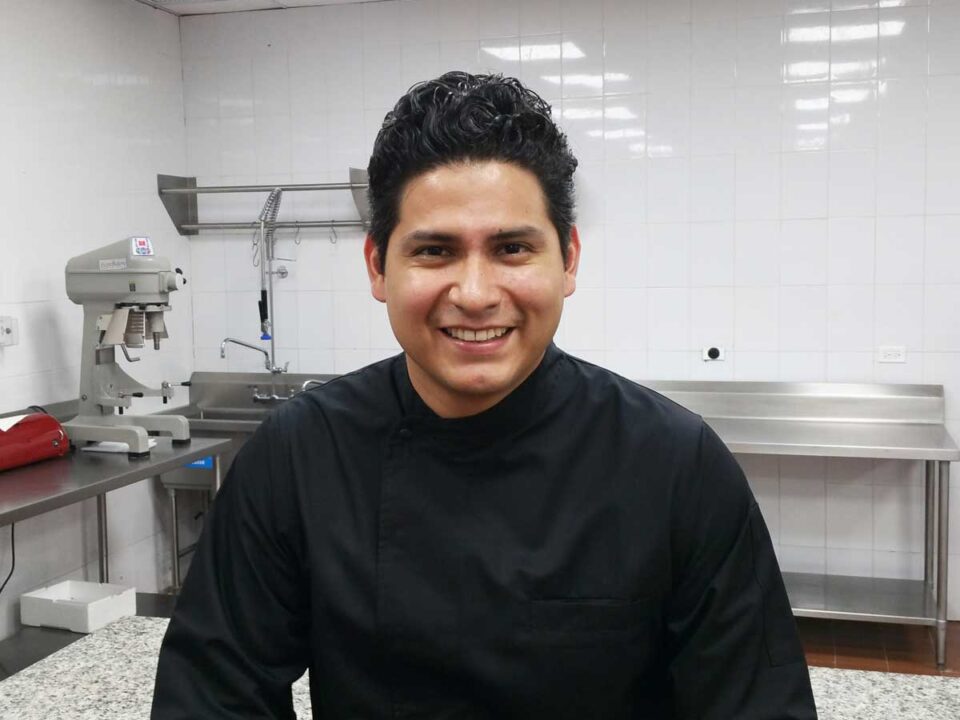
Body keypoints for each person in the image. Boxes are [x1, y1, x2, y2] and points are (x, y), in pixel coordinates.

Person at [152, 72, 817, 719]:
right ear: (378, 267)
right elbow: (214, 695)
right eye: (435, 251)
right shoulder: (298, 456)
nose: (474, 294)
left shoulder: (676, 465)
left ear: (568, 260)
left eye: (512, 248)